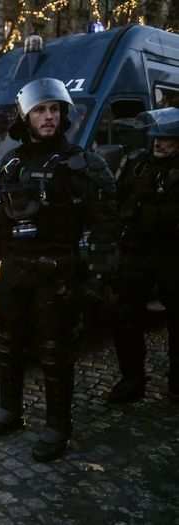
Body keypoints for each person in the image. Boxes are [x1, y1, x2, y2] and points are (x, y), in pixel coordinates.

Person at [0, 78, 118, 462]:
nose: (49, 116)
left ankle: (58, 427)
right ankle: (10, 411)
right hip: (17, 273)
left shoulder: (83, 163)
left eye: (55, 109)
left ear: (64, 114)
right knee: (8, 345)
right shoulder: (12, 163)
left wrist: (97, 277)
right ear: (26, 117)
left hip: (58, 276)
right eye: (40, 110)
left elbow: (105, 225)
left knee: (55, 353)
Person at [109, 107, 179, 403]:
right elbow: (119, 199)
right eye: (156, 137)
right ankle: (132, 379)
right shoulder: (139, 165)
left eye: (166, 138)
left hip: (172, 255)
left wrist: (145, 213)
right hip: (136, 253)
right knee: (125, 316)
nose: (158, 143)